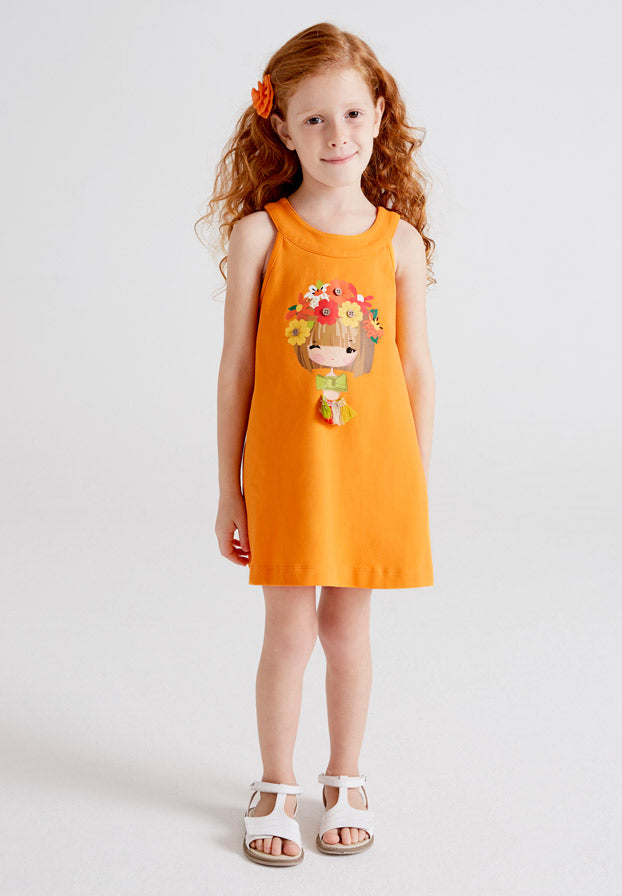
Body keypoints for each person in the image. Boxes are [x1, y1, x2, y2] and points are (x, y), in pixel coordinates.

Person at [196, 21, 437, 867]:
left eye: (352, 115)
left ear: (379, 114)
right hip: (290, 473)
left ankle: (344, 776)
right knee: (289, 631)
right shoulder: (261, 235)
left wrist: (414, 481)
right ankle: (275, 781)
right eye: (314, 119)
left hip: (372, 473)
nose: (338, 136)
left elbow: (414, 368)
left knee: (348, 629)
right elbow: (236, 368)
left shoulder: (398, 241)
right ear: (281, 127)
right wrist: (229, 487)